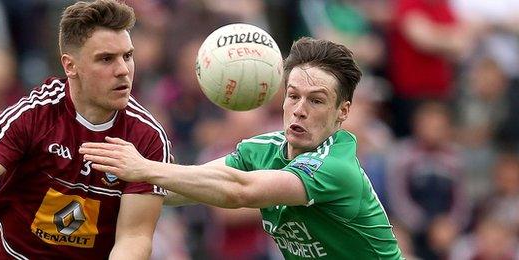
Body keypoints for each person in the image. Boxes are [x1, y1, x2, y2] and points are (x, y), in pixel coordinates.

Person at [81, 37, 403, 259]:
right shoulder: (261, 149)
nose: (300, 109)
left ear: (342, 112)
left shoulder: (337, 166)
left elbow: (241, 192)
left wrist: (144, 167)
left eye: (316, 100)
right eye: (293, 96)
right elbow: (184, 188)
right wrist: (99, 184)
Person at [0, 1, 170, 259]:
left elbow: (134, 238)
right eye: (106, 59)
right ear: (70, 66)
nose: (123, 70)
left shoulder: (147, 137)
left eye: (127, 56)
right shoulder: (32, 116)